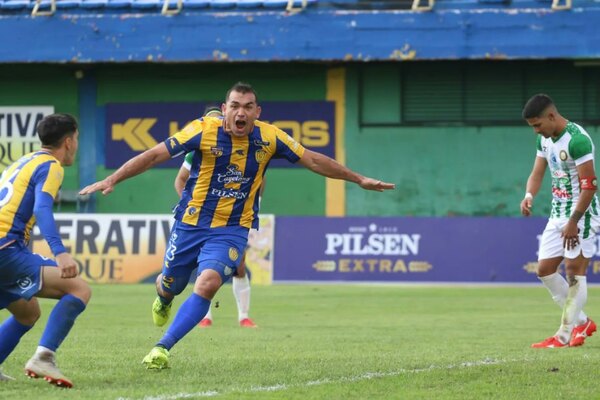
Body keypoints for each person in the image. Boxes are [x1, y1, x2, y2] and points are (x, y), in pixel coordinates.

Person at [79, 82, 395, 369]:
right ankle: (163, 297)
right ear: (225, 108)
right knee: (170, 284)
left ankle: (162, 348)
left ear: (257, 112)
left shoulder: (270, 137)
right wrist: (113, 178)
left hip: (232, 228)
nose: (240, 112)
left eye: (247, 107)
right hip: (190, 223)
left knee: (208, 283)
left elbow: (313, 159)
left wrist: (358, 179)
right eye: (235, 106)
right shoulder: (202, 130)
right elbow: (153, 156)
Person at [0, 114, 91, 387]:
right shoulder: (51, 165)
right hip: (6, 248)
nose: (76, 145)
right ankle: (44, 357)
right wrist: (60, 253)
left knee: (27, 312)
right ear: (68, 140)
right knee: (79, 289)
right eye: (76, 139)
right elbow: (42, 209)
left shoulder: (23, 161)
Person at [521, 94, 597, 348]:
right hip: (557, 214)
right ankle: (583, 322)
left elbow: (589, 186)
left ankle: (563, 335)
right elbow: (537, 172)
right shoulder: (545, 141)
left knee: (574, 273)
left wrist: (574, 220)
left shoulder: (577, 141)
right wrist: (529, 195)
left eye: (537, 125)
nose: (535, 131)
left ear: (551, 116)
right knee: (544, 270)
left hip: (581, 214)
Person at [174, 106, 258, 328]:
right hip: (201, 219)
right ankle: (205, 316)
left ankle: (244, 316)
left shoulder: (243, 146)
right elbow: (180, 180)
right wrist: (192, 206)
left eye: (217, 119)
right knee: (204, 267)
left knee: (240, 264)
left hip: (233, 219)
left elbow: (258, 180)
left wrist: (249, 205)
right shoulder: (196, 150)